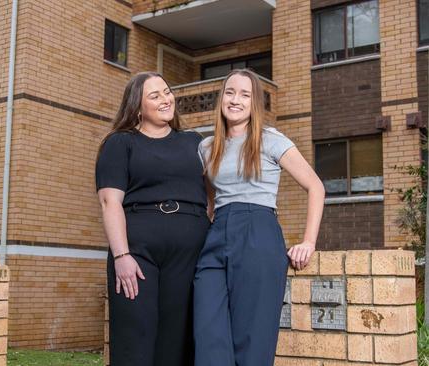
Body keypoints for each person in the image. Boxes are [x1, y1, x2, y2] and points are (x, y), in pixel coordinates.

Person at [194, 69, 325, 366]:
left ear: (254, 104)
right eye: (229, 92)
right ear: (221, 98)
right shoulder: (205, 147)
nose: (235, 100)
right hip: (217, 236)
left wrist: (308, 241)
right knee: (207, 331)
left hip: (258, 231)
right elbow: (210, 201)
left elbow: (315, 186)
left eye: (245, 94)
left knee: (252, 340)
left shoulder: (270, 140)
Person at [96, 72, 210, 366]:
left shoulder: (194, 142)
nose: (165, 99)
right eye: (154, 95)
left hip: (189, 253)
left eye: (167, 92)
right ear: (137, 107)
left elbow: (212, 193)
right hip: (137, 254)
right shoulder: (120, 143)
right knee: (136, 335)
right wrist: (122, 255)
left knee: (178, 338)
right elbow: (110, 202)